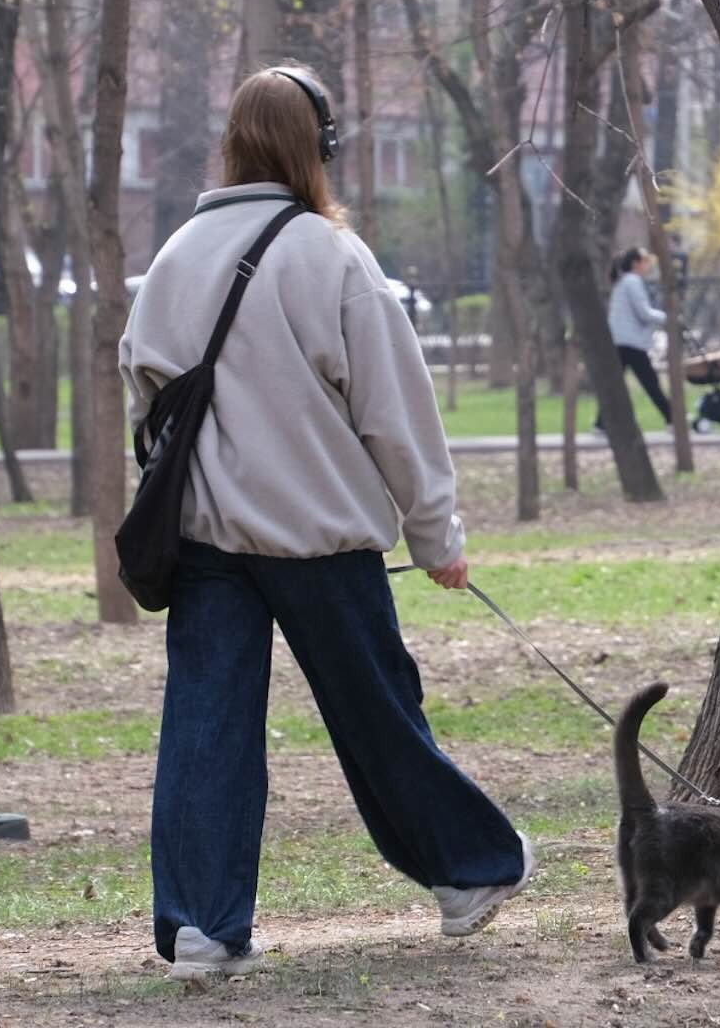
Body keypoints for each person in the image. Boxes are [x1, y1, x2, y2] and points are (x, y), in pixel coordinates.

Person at [118, 65, 532, 982]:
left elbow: (145, 411)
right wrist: (438, 537)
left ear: (231, 140)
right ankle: (466, 876)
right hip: (320, 539)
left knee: (205, 730)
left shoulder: (172, 259)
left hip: (205, 543)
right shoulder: (332, 256)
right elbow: (397, 411)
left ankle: (199, 929)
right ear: (320, 146)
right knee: (378, 715)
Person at [599, 247, 672, 430]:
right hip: (630, 342)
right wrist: (669, 318)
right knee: (650, 383)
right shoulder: (632, 282)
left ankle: (600, 423)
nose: (648, 265)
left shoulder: (624, 282)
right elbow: (644, 313)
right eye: (646, 261)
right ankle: (672, 419)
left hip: (622, 340)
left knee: (615, 385)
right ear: (636, 264)